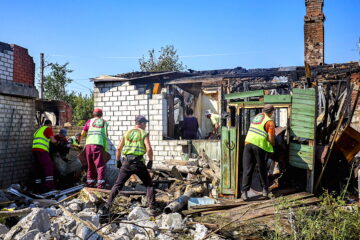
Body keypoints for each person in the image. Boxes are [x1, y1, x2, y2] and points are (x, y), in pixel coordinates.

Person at [105, 115, 155, 214]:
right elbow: (149, 149)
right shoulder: (143, 133)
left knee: (117, 185)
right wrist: (150, 161)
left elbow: (118, 148)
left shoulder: (127, 133)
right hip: (138, 163)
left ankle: (108, 205)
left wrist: (118, 161)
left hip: (126, 162)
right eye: (145, 123)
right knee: (149, 185)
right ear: (141, 123)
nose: (146, 125)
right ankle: (152, 208)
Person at [241, 104, 276, 200]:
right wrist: (273, 145)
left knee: (247, 169)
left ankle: (244, 193)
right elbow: (271, 139)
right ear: (271, 112)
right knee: (262, 168)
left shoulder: (257, 117)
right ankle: (265, 191)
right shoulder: (269, 122)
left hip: (248, 143)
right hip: (259, 145)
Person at [79, 108, 109, 189]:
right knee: (100, 165)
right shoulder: (104, 122)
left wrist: (88, 136)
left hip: (89, 145)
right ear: (101, 115)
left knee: (90, 165)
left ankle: (90, 183)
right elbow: (106, 134)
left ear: (94, 114)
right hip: (98, 144)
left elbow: (82, 133)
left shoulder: (89, 121)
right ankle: (100, 185)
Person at [32, 120, 57, 191]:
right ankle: (49, 186)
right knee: (49, 166)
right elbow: (53, 140)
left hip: (34, 150)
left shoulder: (38, 130)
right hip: (42, 150)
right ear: (49, 125)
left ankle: (38, 185)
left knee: (38, 167)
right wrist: (57, 142)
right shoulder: (48, 128)